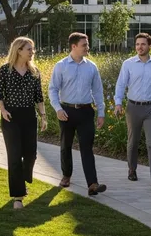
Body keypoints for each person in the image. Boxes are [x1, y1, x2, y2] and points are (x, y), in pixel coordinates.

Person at [48, 32, 107, 196]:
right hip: (66, 111)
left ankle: (92, 183)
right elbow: (53, 89)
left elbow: (98, 91)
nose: (87, 47)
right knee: (65, 146)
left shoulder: (92, 67)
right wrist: (58, 109)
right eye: (84, 45)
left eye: (87, 44)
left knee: (87, 148)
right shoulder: (61, 66)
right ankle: (66, 175)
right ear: (74, 46)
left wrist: (101, 112)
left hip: (86, 111)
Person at [0, 37, 47, 210]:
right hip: (10, 116)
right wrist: (3, 110)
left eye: (32, 49)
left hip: (28, 116)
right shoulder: (4, 70)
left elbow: (39, 97)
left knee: (31, 154)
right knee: (15, 156)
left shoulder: (35, 72)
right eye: (29, 49)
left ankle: (23, 177)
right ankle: (18, 196)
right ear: (18, 50)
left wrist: (43, 116)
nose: (32, 52)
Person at [113, 33, 151, 193]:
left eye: (143, 44)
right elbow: (120, 84)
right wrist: (118, 103)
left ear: (150, 46)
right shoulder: (128, 64)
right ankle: (132, 169)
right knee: (133, 142)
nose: (139, 47)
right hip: (133, 108)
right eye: (137, 44)